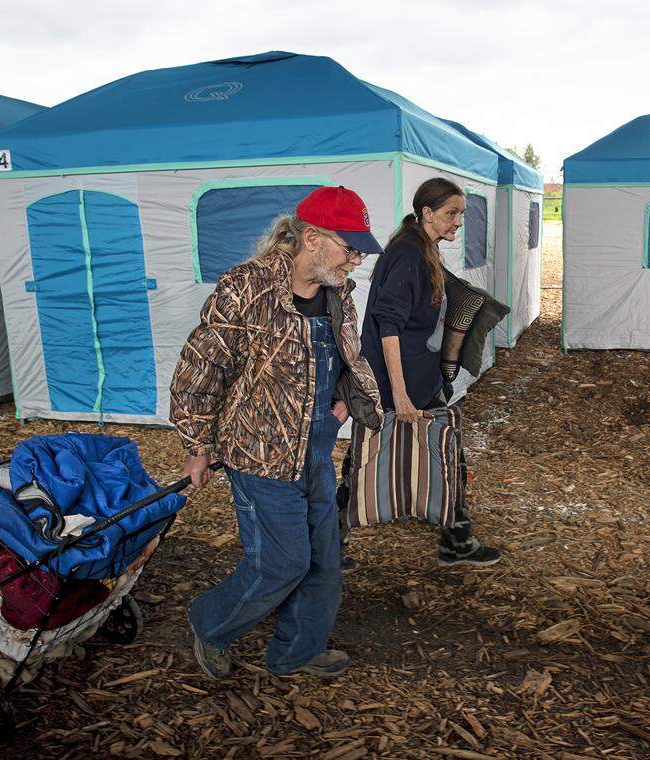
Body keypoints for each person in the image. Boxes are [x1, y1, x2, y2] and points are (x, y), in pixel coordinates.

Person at [169, 186, 384, 680]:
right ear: (312, 238)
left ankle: (296, 652)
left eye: (360, 250)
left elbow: (349, 359)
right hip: (259, 455)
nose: (356, 260)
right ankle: (211, 623)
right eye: (348, 247)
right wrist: (198, 446)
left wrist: (343, 405)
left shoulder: (338, 295)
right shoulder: (245, 288)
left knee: (324, 563)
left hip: (316, 448)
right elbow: (199, 371)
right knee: (282, 563)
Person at [344, 177, 501, 569]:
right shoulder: (409, 255)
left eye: (461, 214)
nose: (458, 222)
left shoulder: (422, 248)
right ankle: (325, 548)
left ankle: (456, 539)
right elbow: (388, 325)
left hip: (418, 377)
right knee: (364, 461)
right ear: (427, 212)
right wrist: (398, 394)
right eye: (451, 213)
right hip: (399, 381)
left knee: (444, 454)